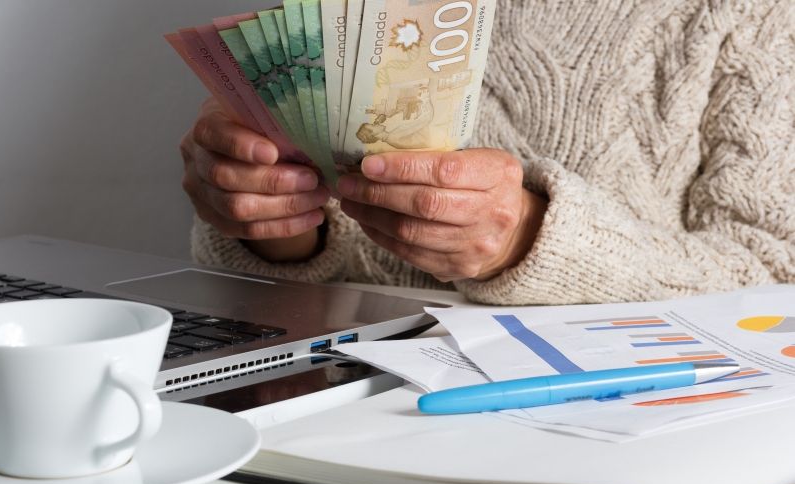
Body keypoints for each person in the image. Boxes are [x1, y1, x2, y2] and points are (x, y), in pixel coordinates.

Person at [180, 1, 794, 305]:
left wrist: (528, 239)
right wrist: (274, 223)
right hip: (355, 385)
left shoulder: (758, 18)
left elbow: (775, 278)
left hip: (614, 414)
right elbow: (334, 253)